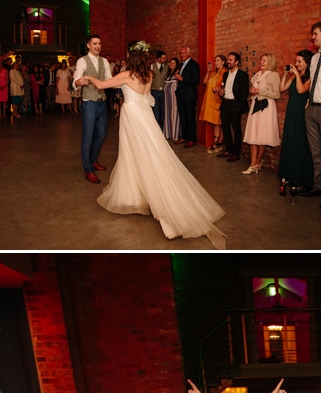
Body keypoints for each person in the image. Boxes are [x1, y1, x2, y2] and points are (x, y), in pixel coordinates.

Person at [86, 43, 226, 245]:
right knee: (150, 151)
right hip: (145, 116)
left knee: (134, 153)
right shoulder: (148, 76)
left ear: (131, 60)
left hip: (133, 116)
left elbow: (100, 85)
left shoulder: (127, 75)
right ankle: (136, 193)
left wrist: (87, 78)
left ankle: (149, 196)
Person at [73, 34, 111, 185]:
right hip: (89, 102)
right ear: (88, 45)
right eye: (95, 43)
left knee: (101, 133)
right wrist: (79, 81)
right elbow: (75, 80)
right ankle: (88, 169)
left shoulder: (105, 61)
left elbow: (108, 79)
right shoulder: (82, 61)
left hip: (102, 102)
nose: (98, 46)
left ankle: (93, 159)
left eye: (100, 43)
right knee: (88, 135)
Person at [278, 50, 314, 195]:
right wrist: (286, 75)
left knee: (300, 142)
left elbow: (301, 90)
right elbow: (282, 89)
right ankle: (290, 175)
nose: (297, 64)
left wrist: (297, 75)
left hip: (302, 112)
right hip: (291, 110)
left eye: (300, 62)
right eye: (296, 61)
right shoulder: (294, 77)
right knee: (291, 141)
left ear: (307, 62)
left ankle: (302, 178)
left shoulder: (310, 78)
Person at [241, 52, 280, 174]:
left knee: (262, 135)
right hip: (256, 104)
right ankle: (253, 163)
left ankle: (257, 162)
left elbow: (276, 94)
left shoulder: (274, 75)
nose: (261, 62)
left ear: (270, 63)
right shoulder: (257, 75)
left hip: (266, 107)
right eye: (261, 60)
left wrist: (260, 91)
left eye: (264, 60)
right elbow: (255, 89)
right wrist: (253, 91)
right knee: (253, 134)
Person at [305, 20, 321, 207]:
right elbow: (314, 83)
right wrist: (308, 101)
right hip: (311, 108)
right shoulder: (314, 58)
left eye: (316, 33)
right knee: (316, 152)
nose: (313, 37)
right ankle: (318, 186)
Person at [218, 50, 249, 163]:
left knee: (236, 129)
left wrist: (238, 106)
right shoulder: (226, 74)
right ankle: (228, 150)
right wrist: (221, 93)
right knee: (225, 128)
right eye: (228, 59)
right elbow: (225, 88)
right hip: (225, 103)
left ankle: (236, 153)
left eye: (230, 60)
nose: (228, 61)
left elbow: (245, 92)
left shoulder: (243, 75)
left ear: (237, 62)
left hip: (235, 105)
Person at [199, 54, 226, 153]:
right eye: (216, 61)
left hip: (218, 99)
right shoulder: (214, 73)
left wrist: (219, 89)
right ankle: (217, 142)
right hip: (211, 99)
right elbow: (205, 82)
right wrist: (208, 71)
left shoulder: (225, 73)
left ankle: (218, 142)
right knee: (215, 122)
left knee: (219, 122)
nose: (216, 63)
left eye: (218, 60)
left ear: (223, 62)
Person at [176, 45, 201, 147]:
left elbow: (196, 80)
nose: (182, 55)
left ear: (189, 54)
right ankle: (185, 137)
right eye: (181, 53)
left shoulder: (194, 65)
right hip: (181, 95)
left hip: (189, 96)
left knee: (190, 117)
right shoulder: (181, 65)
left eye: (183, 53)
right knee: (183, 117)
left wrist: (182, 78)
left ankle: (192, 139)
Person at [163, 56, 181, 141]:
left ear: (176, 65)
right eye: (170, 62)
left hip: (174, 97)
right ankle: (168, 133)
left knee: (174, 115)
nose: (171, 64)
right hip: (167, 98)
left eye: (173, 63)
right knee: (167, 114)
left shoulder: (177, 73)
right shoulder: (168, 73)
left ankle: (174, 134)